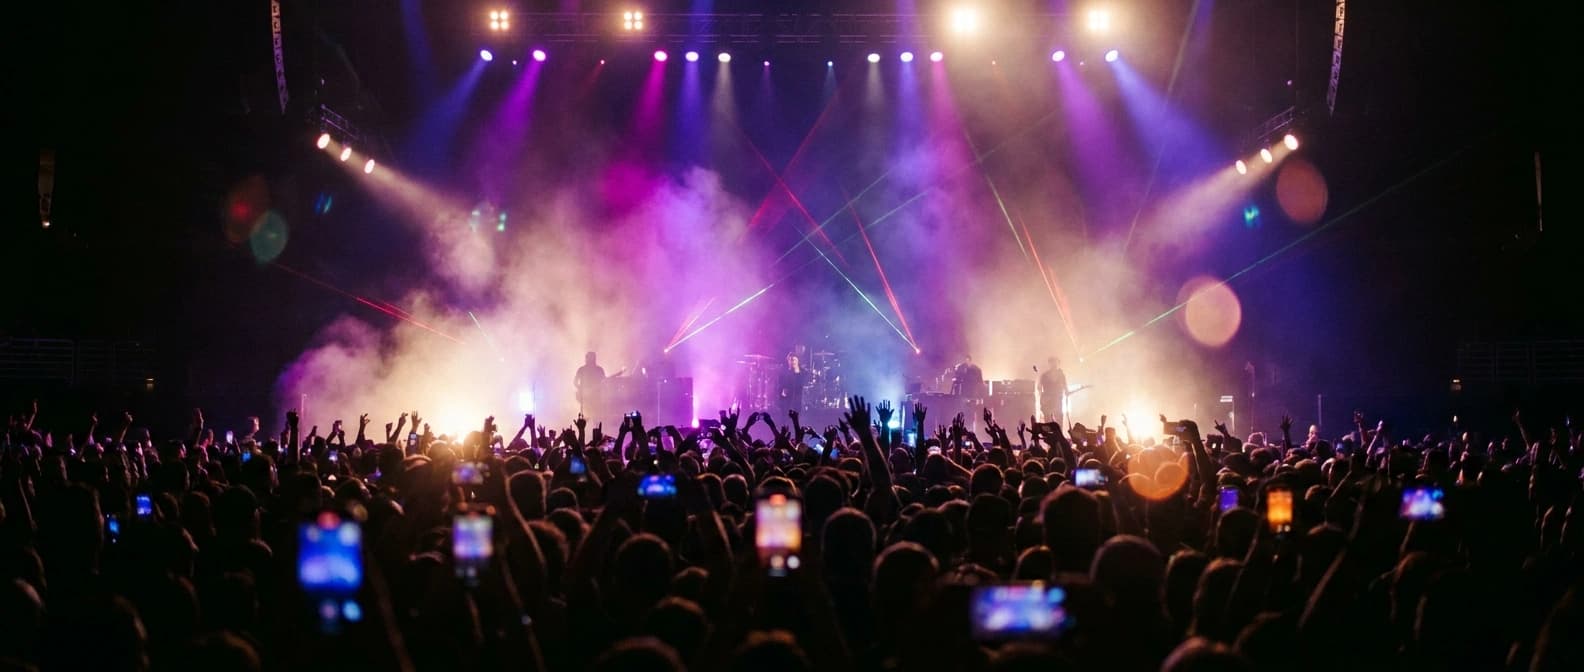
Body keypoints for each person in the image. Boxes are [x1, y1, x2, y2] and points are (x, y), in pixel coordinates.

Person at [575, 351, 608, 417]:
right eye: (589, 358)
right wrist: (581, 389)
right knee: (585, 415)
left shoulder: (599, 370)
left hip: (596, 398)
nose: (590, 360)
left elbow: (604, 382)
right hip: (585, 398)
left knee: (596, 415)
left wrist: (600, 387)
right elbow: (575, 381)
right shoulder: (581, 370)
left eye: (592, 358)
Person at [1037, 357, 1068, 425]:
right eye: (1052, 362)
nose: (1054, 364)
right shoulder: (1044, 375)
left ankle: (1059, 434)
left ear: (1058, 363)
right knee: (1048, 419)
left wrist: (1066, 391)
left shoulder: (1061, 375)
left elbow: (1065, 386)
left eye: (1055, 362)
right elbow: (1039, 387)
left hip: (1057, 400)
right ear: (1049, 364)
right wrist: (1042, 397)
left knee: (1059, 418)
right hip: (1047, 400)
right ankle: (1048, 435)